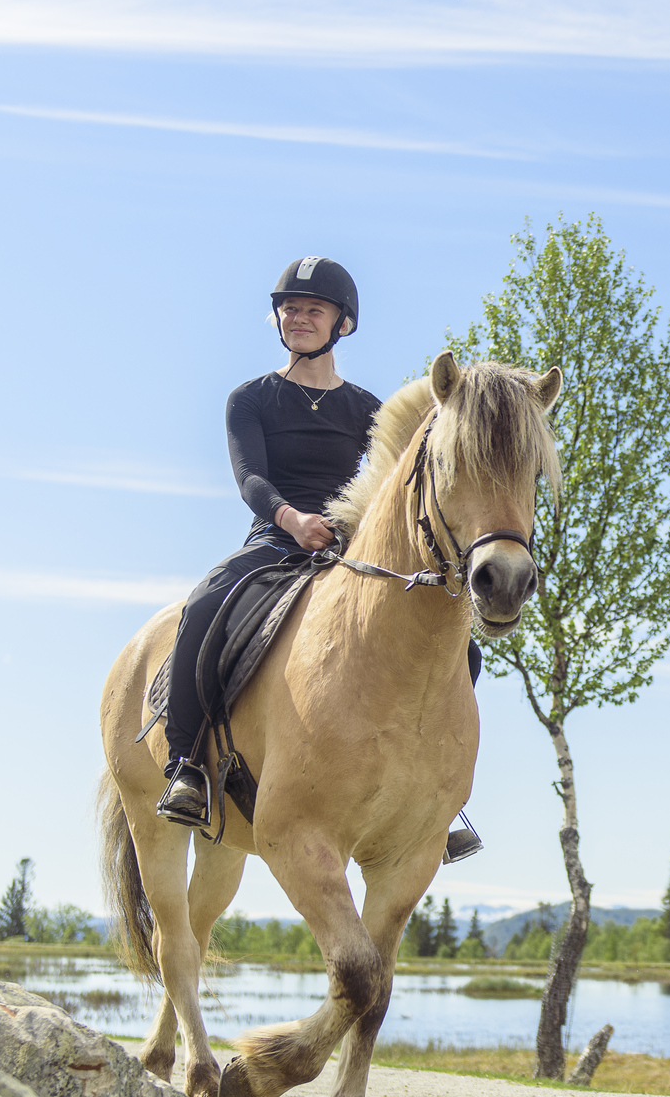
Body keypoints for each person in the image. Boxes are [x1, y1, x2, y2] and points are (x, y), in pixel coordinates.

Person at [157, 257, 482, 862]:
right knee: (203, 607)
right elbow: (250, 478)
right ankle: (186, 767)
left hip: (347, 546)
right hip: (276, 539)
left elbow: (391, 484)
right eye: (290, 308)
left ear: (343, 324)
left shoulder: (366, 408)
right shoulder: (250, 399)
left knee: (461, 645)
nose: (298, 317)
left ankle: (439, 793)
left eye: (314, 309)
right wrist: (292, 520)